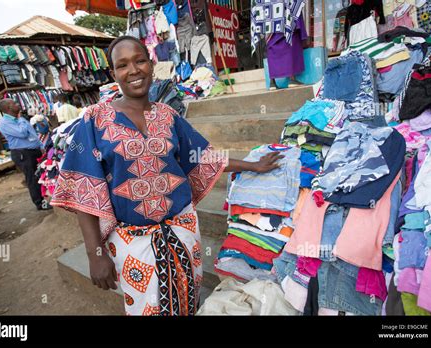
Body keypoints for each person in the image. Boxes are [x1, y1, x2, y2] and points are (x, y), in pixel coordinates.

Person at [50, 36, 282, 316]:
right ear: (113, 74)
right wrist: (94, 253)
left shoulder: (168, 115)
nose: (133, 70)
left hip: (183, 234)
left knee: (189, 301)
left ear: (151, 64)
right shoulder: (94, 120)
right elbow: (82, 191)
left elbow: (204, 157)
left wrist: (252, 165)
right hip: (133, 244)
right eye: (122, 65)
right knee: (147, 310)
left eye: (139, 60)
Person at [0, 99, 52, 211]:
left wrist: (40, 147)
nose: (17, 104)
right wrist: (21, 119)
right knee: (32, 178)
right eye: (14, 103)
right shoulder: (5, 123)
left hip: (32, 151)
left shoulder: (19, 119)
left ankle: (45, 198)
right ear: (8, 108)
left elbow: (32, 134)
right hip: (23, 153)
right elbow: (22, 133)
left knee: (40, 175)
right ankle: (40, 203)